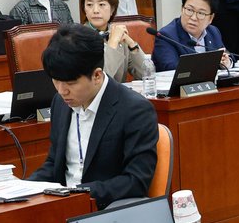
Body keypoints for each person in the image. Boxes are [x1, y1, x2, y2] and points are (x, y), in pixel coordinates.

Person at [28, 24, 158, 208]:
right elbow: (53, 163)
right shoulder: (60, 103)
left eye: (70, 83)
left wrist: (77, 193)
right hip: (62, 205)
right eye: (56, 81)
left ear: (97, 75)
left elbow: (136, 181)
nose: (62, 90)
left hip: (107, 209)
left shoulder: (135, 110)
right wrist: (23, 189)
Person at [82, 0, 153, 83]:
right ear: (84, 9)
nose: (95, 10)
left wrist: (131, 44)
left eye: (101, 4)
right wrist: (113, 42)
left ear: (112, 9)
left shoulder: (117, 34)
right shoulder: (78, 39)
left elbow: (146, 74)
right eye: (89, 5)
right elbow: (100, 81)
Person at [151, 0, 228, 73]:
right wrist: (210, 63)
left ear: (210, 18)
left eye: (201, 13)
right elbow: (171, 68)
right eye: (190, 10)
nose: (193, 17)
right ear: (182, 9)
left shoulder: (213, 32)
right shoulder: (166, 36)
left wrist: (227, 62)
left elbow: (225, 55)